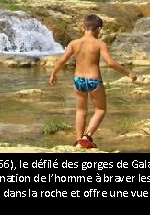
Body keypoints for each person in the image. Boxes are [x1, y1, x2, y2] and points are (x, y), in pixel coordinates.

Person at [49, 14, 137, 148]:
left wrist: (53, 74)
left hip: (78, 80)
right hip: (93, 81)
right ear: (99, 29)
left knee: (80, 111)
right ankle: (87, 136)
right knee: (100, 110)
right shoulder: (100, 44)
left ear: (82, 27)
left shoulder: (74, 43)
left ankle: (79, 141)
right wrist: (128, 73)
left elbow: (62, 60)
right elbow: (111, 63)